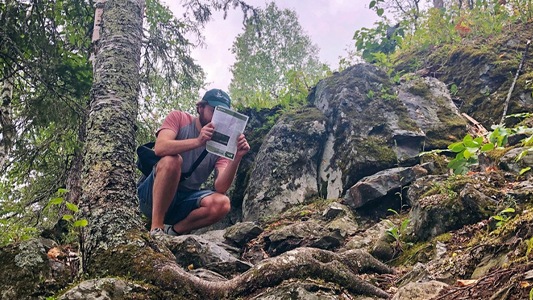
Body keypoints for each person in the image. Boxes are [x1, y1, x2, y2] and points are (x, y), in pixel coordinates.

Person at [137, 89, 250, 236]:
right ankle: (156, 229)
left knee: (222, 203)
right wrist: (198, 142)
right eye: (213, 110)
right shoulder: (179, 118)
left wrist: (237, 157)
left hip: (183, 202)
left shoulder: (221, 145)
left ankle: (174, 232)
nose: (216, 118)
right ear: (200, 108)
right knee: (172, 160)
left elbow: (221, 187)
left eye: (222, 115)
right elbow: (160, 147)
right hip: (151, 198)